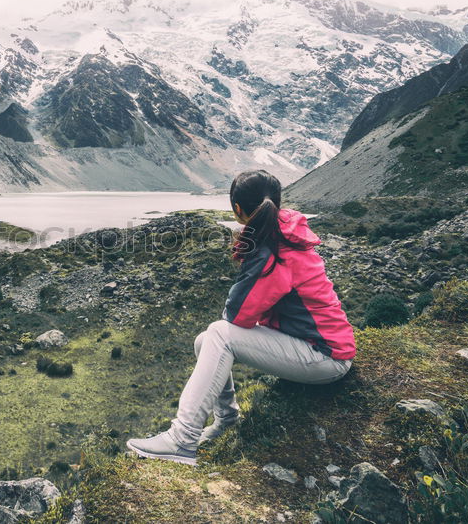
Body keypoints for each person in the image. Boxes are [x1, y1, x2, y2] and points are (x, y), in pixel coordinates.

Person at [126, 169, 356, 465]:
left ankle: (181, 440)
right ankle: (226, 421)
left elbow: (237, 316)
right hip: (316, 345)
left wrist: (248, 249)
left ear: (237, 209)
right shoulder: (283, 234)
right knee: (206, 340)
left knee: (220, 333)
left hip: (326, 358)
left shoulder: (271, 250)